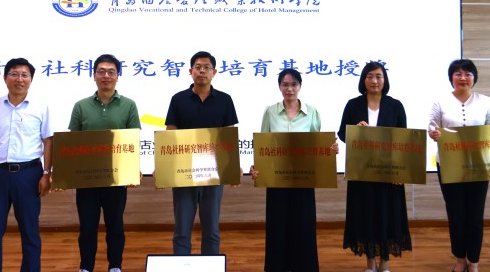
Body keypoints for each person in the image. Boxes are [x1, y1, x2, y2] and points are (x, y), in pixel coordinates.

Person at [249, 68, 337, 272]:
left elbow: (317, 145)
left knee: (303, 226)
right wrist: (256, 167)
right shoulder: (270, 111)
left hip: (303, 179)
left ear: (300, 86)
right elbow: (263, 145)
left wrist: (330, 149)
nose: (289, 88)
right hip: (276, 179)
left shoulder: (312, 112)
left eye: (293, 84)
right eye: (285, 84)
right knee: (277, 226)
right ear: (279, 87)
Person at [0, 57, 53, 272]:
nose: (20, 79)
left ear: (31, 79)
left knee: (30, 230)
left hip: (29, 175)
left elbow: (48, 142)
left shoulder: (41, 107)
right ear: (5, 77)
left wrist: (46, 173)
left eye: (25, 75)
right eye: (14, 74)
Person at [68, 54, 141, 272]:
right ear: (94, 76)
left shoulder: (129, 105)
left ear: (118, 76)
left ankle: (115, 266)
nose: (106, 76)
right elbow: (73, 143)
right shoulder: (81, 106)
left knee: (115, 226)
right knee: (87, 228)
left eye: (111, 72)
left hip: (116, 178)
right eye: (101, 71)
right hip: (87, 179)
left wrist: (133, 170)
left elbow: (132, 141)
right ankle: (85, 267)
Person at [337, 61, 412, 272]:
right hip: (362, 171)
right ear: (363, 80)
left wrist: (401, 171)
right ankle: (370, 262)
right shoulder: (353, 105)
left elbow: (404, 139)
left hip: (389, 171)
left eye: (378, 76)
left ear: (385, 80)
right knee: (366, 215)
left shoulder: (395, 106)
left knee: (387, 215)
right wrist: (356, 131)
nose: (374, 81)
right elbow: (342, 133)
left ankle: (385, 262)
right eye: (369, 76)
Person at [164, 51, 238, 255]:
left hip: (213, 173)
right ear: (190, 71)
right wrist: (165, 167)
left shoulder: (225, 100)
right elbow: (171, 135)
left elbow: (229, 136)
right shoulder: (178, 99)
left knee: (212, 230)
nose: (202, 71)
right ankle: (182, 267)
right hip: (184, 173)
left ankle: (210, 266)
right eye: (198, 67)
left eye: (206, 67)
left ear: (214, 72)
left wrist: (232, 167)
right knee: (181, 230)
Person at [427, 59, 490, 272]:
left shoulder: (485, 101)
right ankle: (460, 259)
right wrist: (434, 133)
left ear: (474, 78)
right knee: (456, 215)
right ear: (451, 78)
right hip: (449, 165)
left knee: (475, 215)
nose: (463, 78)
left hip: (479, 166)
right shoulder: (440, 102)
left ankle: (474, 261)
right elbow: (432, 127)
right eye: (457, 74)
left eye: (467, 74)